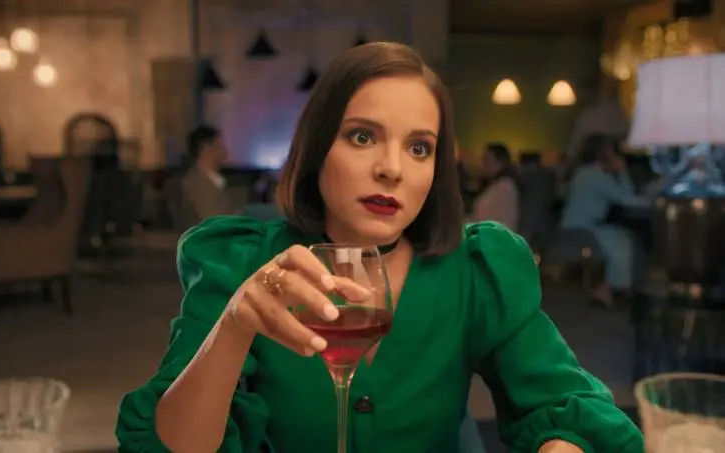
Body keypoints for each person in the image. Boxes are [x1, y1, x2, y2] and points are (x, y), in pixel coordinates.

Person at [116, 42, 643, 452]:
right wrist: (234, 326)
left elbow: (567, 405)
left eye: (419, 147)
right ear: (317, 147)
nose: (392, 168)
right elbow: (171, 446)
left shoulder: (476, 270)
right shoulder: (240, 262)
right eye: (363, 137)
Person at [561, 136, 649, 307]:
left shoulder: (585, 172)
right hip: (582, 229)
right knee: (619, 238)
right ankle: (614, 289)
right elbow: (626, 197)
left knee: (619, 236)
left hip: (580, 226)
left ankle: (608, 288)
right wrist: (622, 172)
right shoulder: (594, 174)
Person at [180, 125, 245, 226]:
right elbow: (217, 225)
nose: (224, 152)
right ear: (207, 149)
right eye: (219, 146)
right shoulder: (199, 186)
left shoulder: (210, 182)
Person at [470, 143, 520, 231]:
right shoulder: (495, 183)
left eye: (488, 160)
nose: (484, 164)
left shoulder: (505, 186)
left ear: (500, 162)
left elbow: (505, 222)